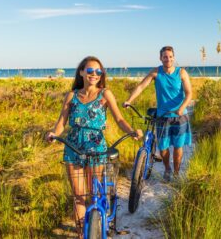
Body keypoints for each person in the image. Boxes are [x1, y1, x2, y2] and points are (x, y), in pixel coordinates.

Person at [46, 56, 142, 237]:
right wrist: (53, 134)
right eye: (90, 71)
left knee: (94, 194)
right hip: (73, 148)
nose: (94, 74)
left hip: (96, 148)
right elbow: (61, 122)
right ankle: (83, 234)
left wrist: (131, 131)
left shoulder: (105, 94)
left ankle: (99, 225)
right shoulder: (71, 95)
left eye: (98, 71)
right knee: (79, 196)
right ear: (81, 72)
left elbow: (119, 119)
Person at [123, 46, 192, 181]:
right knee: (163, 147)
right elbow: (141, 86)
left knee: (178, 147)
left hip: (180, 116)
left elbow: (189, 93)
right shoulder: (156, 72)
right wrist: (129, 100)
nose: (168, 59)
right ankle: (167, 169)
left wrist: (182, 107)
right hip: (162, 116)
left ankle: (177, 173)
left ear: (174, 57)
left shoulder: (181, 72)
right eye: (165, 57)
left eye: (170, 56)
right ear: (160, 58)